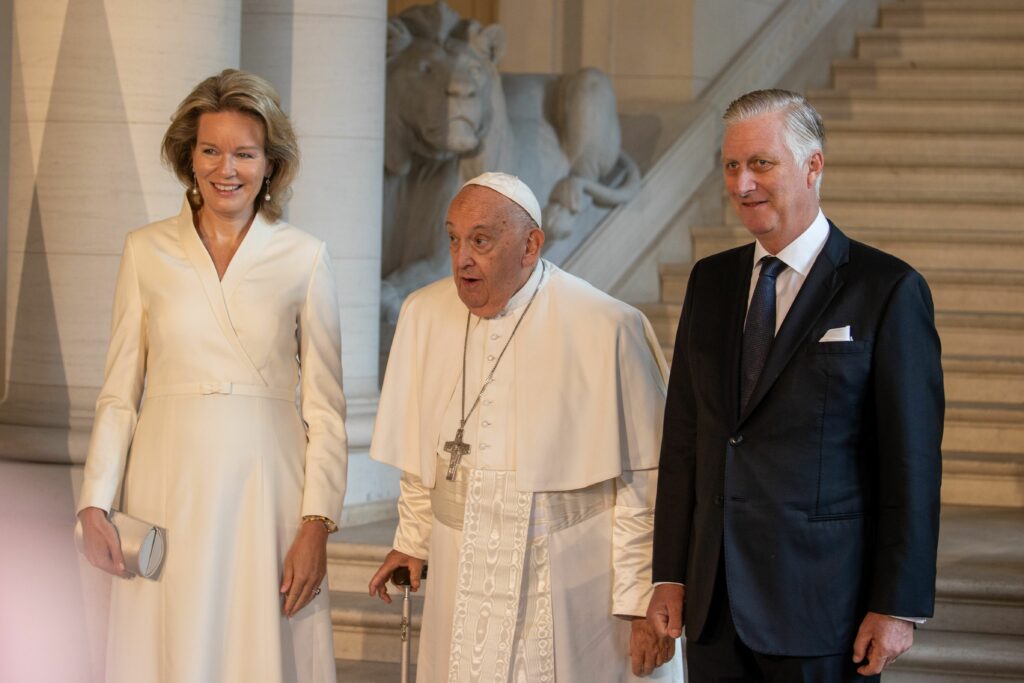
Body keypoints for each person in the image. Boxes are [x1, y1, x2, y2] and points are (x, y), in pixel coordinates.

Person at [647, 88, 944, 682]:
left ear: (813, 166)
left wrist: (897, 604)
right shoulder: (710, 282)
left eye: (761, 163)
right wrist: (670, 572)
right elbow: (685, 439)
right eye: (731, 165)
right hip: (715, 606)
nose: (742, 183)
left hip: (824, 609)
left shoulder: (887, 289)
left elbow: (909, 461)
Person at [76, 69, 347, 683]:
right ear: (188, 157)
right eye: (211, 150)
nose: (227, 169)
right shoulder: (145, 250)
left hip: (267, 487)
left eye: (245, 153)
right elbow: (120, 393)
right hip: (166, 481)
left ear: (271, 164)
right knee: (166, 647)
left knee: (260, 647)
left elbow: (326, 410)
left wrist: (317, 523)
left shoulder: (305, 256)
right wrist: (94, 500)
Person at [368, 172, 681, 681]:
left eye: (482, 241)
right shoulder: (423, 314)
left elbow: (645, 480)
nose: (462, 257)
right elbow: (422, 453)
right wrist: (412, 539)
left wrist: (638, 597)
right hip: (462, 566)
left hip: (571, 578)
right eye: (453, 239)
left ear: (531, 245)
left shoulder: (606, 326)